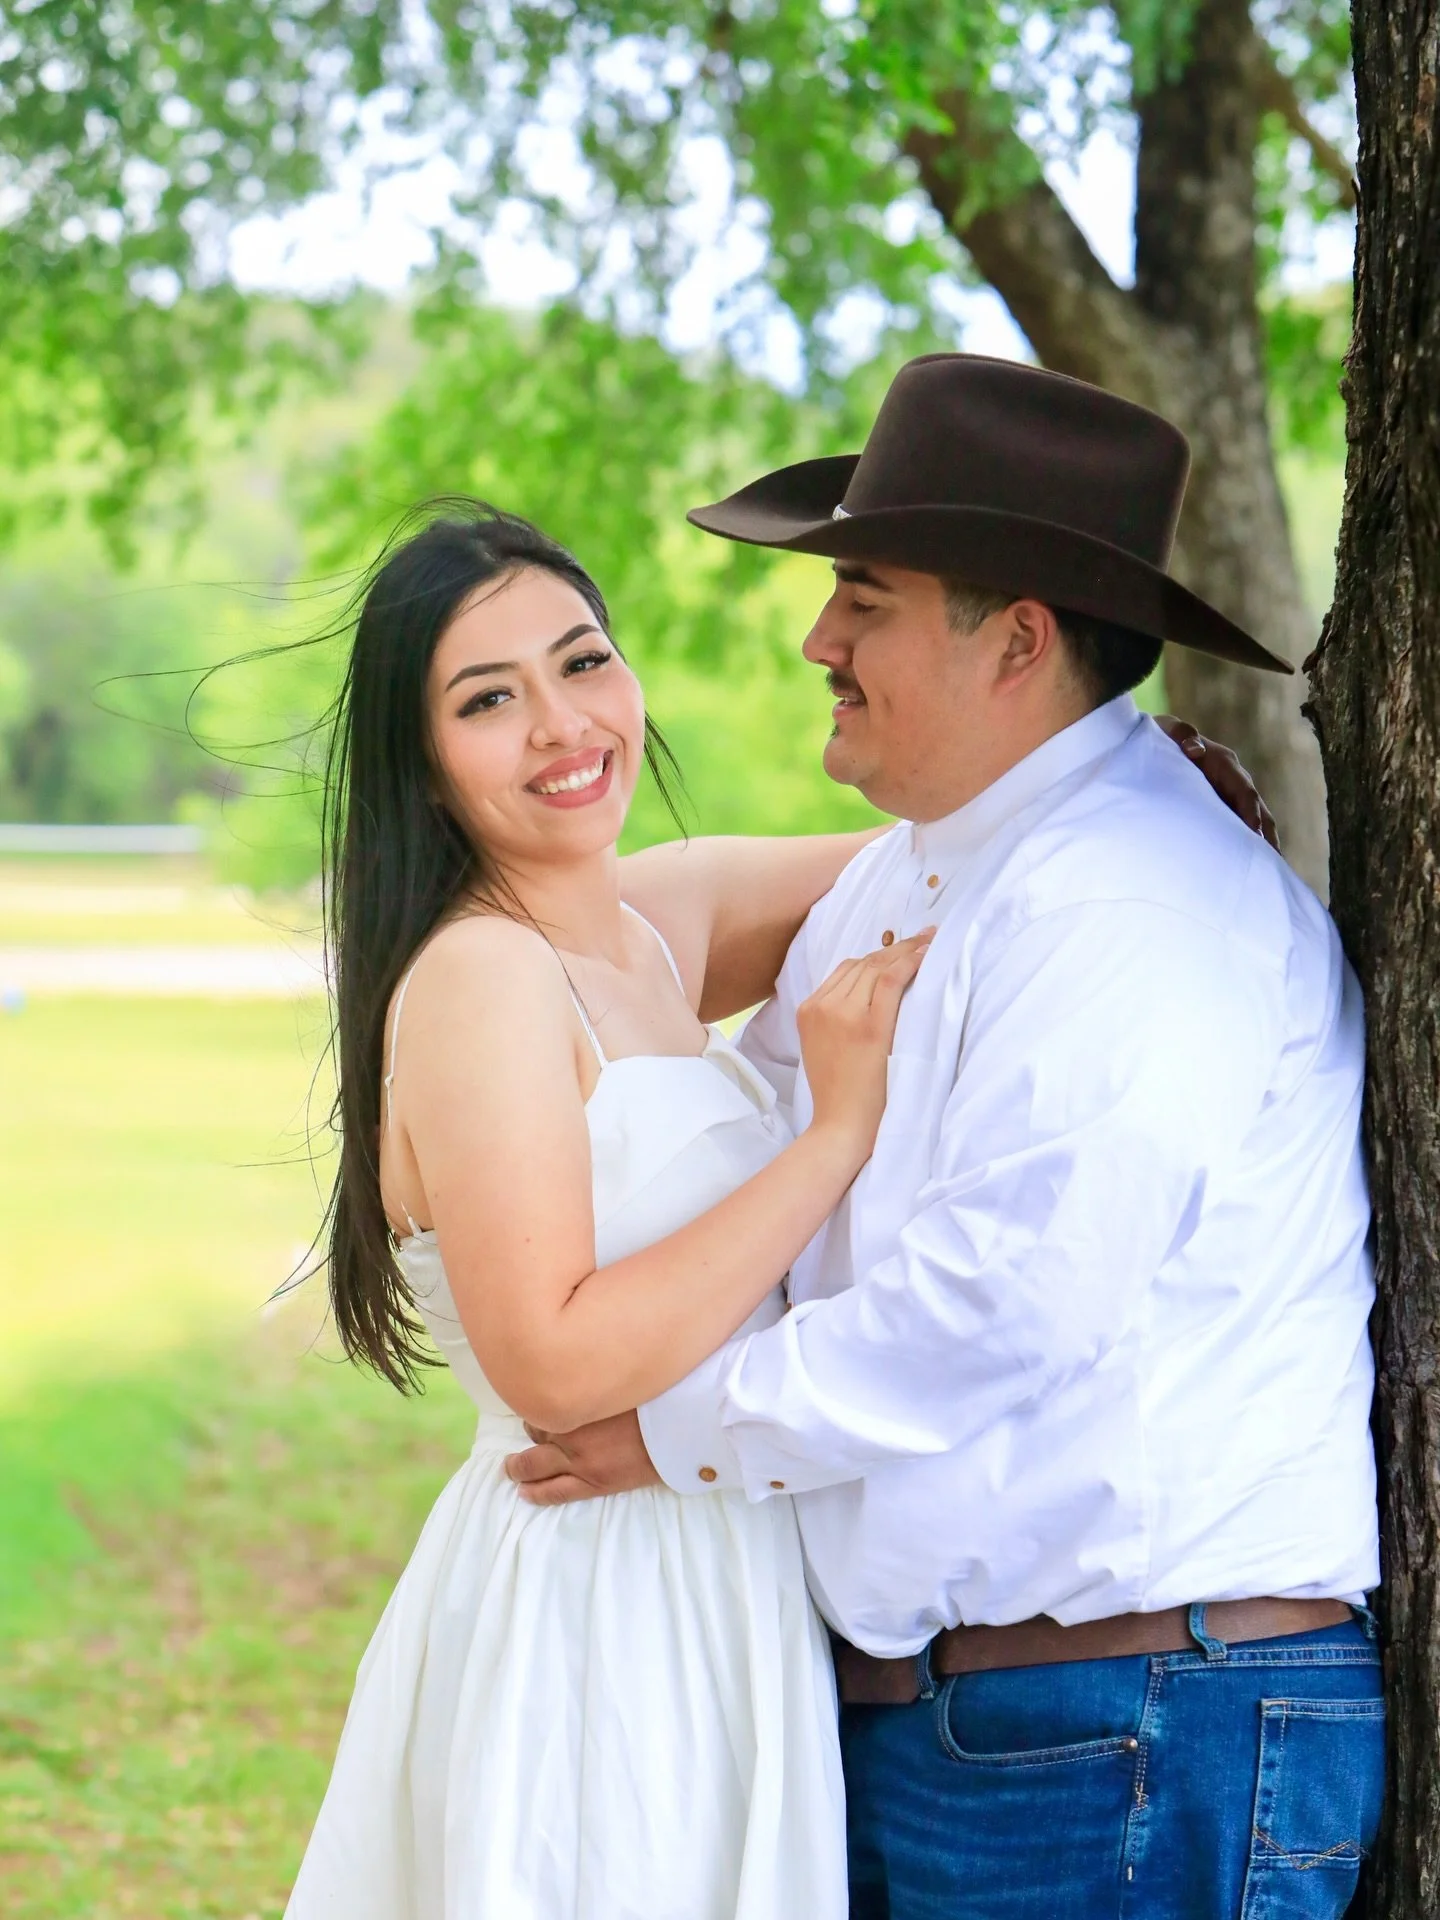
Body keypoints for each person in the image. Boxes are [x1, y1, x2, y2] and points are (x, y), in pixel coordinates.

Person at [282, 485, 1266, 1920]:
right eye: (489, 700)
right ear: (424, 764)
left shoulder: (649, 919)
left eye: (583, 660)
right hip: (602, 1597)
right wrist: (835, 1132)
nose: (564, 726)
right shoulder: (481, 979)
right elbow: (551, 1360)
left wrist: (1134, 776)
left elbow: (967, 845)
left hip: (731, 1583)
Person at [507, 355, 1385, 1920]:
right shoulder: (922, 874)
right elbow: (765, 1165)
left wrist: (667, 1438)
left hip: (1132, 1719)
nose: (815, 641)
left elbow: (1007, 1303)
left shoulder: (1134, 905)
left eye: (863, 598)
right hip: (984, 1723)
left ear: (1020, 644)